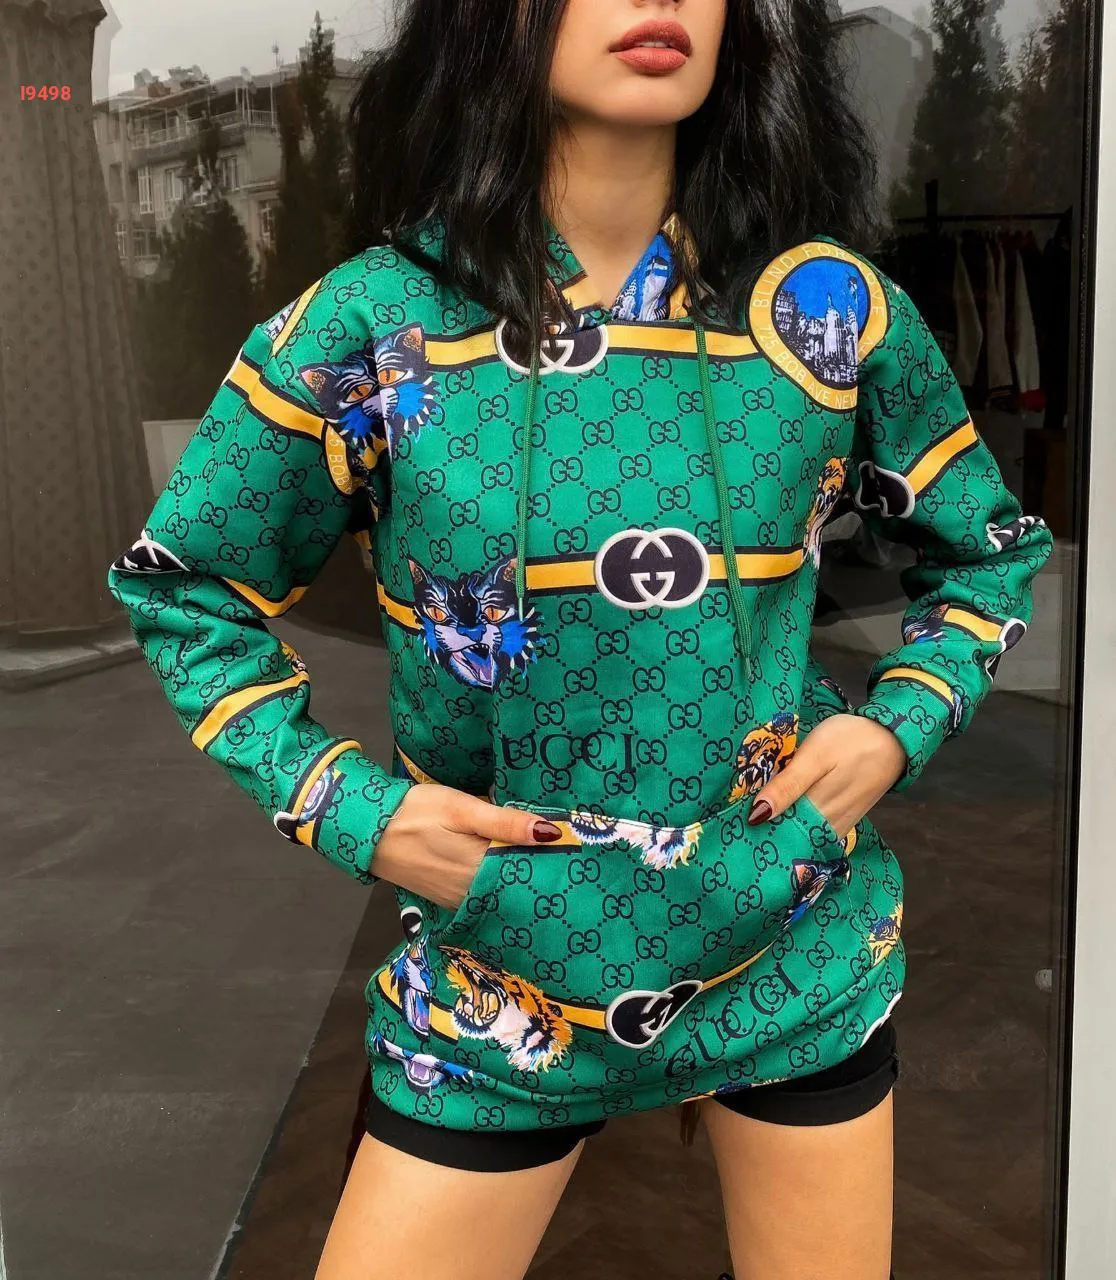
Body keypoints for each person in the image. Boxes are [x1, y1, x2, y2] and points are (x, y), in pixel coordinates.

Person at [106, 2, 1054, 1277]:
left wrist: (897, 725)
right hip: (505, 978)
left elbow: (986, 548)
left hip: (796, 945)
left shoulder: (827, 312)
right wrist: (349, 807)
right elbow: (187, 588)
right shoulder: (375, 324)